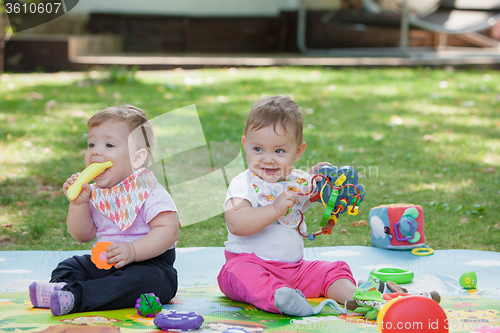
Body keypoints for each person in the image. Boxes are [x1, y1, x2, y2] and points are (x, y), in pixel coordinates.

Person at [29, 105, 179, 316]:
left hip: (149, 265)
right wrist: (78, 204)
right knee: (69, 266)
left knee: (147, 280)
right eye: (91, 144)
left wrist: (134, 250)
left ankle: (76, 297)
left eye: (109, 144)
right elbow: (82, 235)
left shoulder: (148, 191)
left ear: (137, 158)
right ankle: (61, 289)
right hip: (104, 263)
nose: (96, 151)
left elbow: (169, 230)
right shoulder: (97, 193)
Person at [217, 95, 359, 317]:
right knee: (237, 274)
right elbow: (236, 223)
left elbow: (301, 201)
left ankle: (356, 297)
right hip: (251, 264)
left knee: (332, 269)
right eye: (258, 149)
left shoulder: (294, 180)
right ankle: (280, 298)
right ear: (245, 145)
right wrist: (274, 209)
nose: (268, 159)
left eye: (279, 151)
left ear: (298, 151)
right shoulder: (243, 183)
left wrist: (317, 183)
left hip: (294, 270)